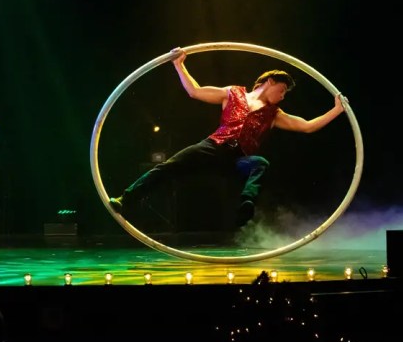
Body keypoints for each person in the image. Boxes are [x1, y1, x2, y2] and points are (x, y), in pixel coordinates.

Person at [110, 47, 347, 226]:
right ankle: (125, 199)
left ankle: (246, 205)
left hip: (237, 159)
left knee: (260, 164)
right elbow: (195, 91)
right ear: (270, 81)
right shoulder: (232, 93)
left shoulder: (275, 114)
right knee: (167, 167)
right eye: (282, 90)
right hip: (213, 146)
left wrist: (336, 110)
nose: (283, 96)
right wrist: (179, 65)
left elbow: (307, 126)